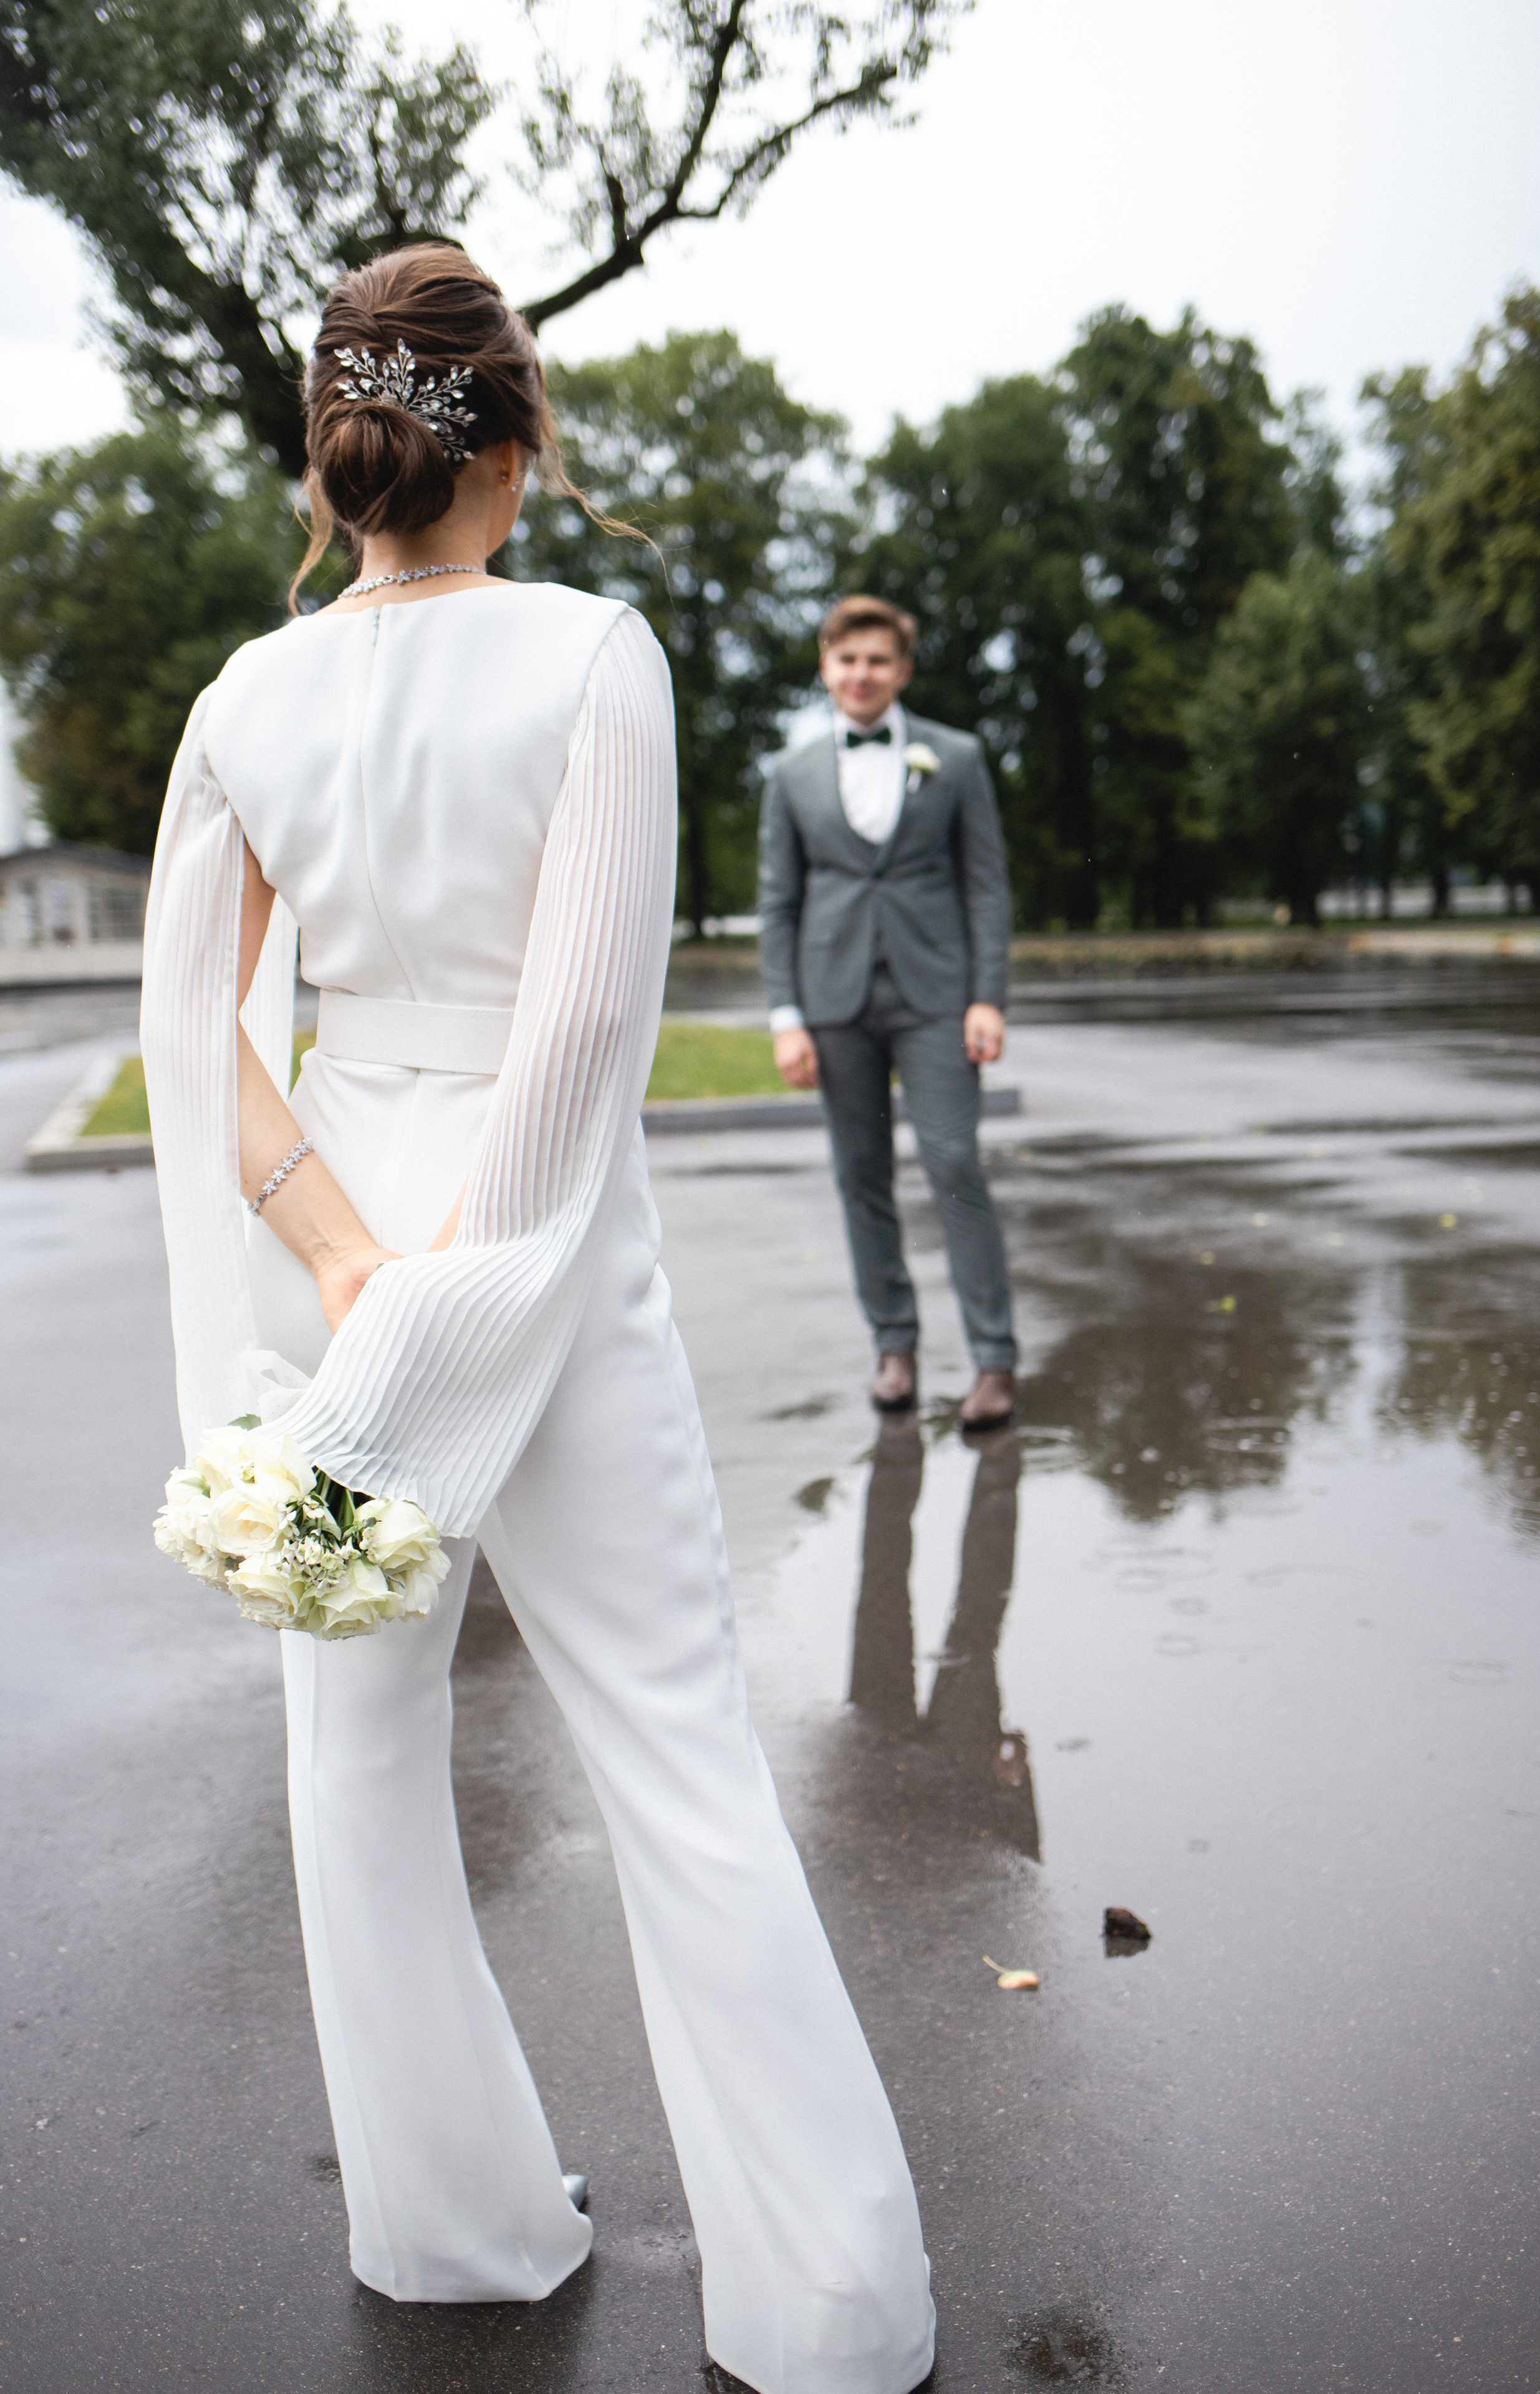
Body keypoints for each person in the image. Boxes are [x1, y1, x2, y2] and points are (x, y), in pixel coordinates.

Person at [140, 245, 935, 2394]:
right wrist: (463, 1315)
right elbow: (581, 1041)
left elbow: (196, 1030)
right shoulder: (596, 659)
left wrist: (339, 1277)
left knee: (356, 1769)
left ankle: (455, 2236)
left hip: (343, 1282)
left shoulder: (243, 697)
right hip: (547, 1276)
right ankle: (832, 2312)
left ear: (339, 460)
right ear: (516, 441)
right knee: (676, 1759)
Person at [758, 598, 1018, 1426]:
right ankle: (894, 1348)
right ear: (826, 668)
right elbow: (778, 902)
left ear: (901, 670)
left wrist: (987, 996)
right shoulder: (791, 774)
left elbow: (986, 885)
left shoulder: (958, 756)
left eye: (877, 661)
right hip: (835, 1002)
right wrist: (785, 1016)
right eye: (846, 661)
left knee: (953, 1166)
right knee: (859, 1176)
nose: (861, 674)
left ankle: (993, 1361)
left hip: (939, 997)